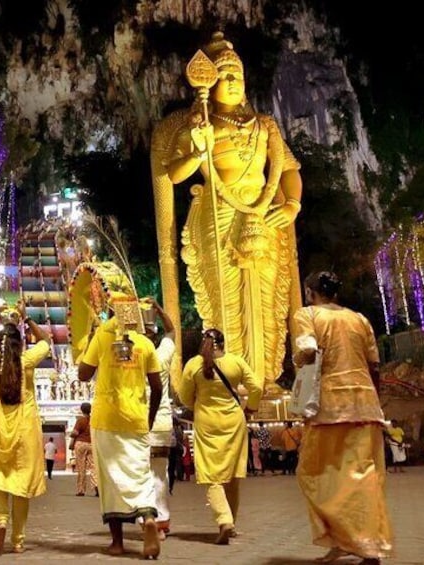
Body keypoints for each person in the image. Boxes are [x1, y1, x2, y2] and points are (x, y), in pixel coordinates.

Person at [151, 31, 304, 391]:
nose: (233, 81)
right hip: (219, 214)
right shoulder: (201, 126)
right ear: (211, 83)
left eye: (238, 75)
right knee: (225, 297)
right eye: (226, 75)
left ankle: (265, 379)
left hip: (264, 214)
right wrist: (198, 151)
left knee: (269, 298)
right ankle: (227, 375)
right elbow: (173, 174)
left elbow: (290, 170)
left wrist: (292, 204)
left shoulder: (265, 126)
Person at [293, 271, 393, 564]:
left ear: (311, 291)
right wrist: (374, 400)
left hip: (329, 406)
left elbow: (307, 350)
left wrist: (299, 363)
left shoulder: (307, 314)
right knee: (363, 474)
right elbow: (374, 365)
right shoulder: (359, 319)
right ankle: (362, 543)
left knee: (313, 473)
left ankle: (351, 539)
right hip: (365, 403)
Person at [78, 314, 163, 559]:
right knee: (141, 473)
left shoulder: (102, 336)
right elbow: (156, 387)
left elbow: (84, 374)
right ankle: (147, 517)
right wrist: (150, 418)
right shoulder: (145, 343)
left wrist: (89, 343)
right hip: (136, 419)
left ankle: (117, 542)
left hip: (106, 418)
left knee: (110, 479)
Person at [0, 303, 51, 554]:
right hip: (24, 432)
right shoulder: (27, 360)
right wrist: (27, 320)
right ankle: (18, 541)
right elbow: (46, 340)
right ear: (20, 342)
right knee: (21, 486)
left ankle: (1, 521)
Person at [177, 329, 263, 544]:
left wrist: (199, 402)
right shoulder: (236, 362)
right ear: (224, 343)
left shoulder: (193, 364)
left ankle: (224, 521)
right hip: (234, 420)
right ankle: (231, 523)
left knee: (212, 476)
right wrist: (250, 409)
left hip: (207, 422)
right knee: (232, 476)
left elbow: (184, 397)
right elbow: (257, 388)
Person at [139, 297, 176, 539]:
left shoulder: (133, 356)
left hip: (139, 421)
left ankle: (148, 518)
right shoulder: (162, 354)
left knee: (142, 474)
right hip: (162, 421)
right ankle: (161, 519)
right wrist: (159, 310)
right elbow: (172, 331)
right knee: (160, 474)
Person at [70, 402, 96, 496]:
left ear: (82, 410)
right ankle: (96, 485)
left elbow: (75, 433)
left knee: (81, 467)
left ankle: (81, 490)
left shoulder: (80, 420)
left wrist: (71, 434)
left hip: (80, 444)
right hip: (91, 444)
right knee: (93, 466)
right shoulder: (94, 420)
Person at [168, 418, 185, 492]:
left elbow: (175, 440)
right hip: (179, 448)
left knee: (175, 463)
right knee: (178, 463)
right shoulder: (180, 430)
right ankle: (179, 476)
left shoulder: (175, 430)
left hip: (175, 448)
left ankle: (178, 476)